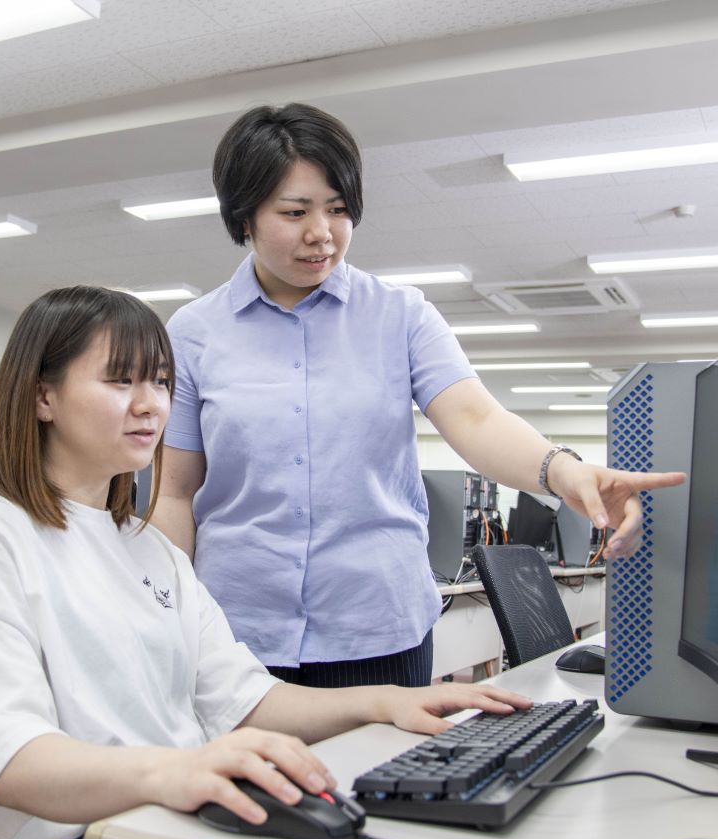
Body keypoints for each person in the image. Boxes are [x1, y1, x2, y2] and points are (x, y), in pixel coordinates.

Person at [0, 285, 531, 839]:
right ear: (43, 396)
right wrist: (175, 771)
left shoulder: (147, 549)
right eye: (120, 381)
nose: (151, 405)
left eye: (159, 382)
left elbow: (244, 700)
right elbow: (8, 761)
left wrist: (389, 702)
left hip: (154, 826)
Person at [152, 102, 685, 689]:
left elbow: (475, 419)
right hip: (237, 631)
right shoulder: (193, 333)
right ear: (243, 216)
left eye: (338, 209)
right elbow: (175, 492)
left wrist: (564, 472)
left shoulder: (401, 315)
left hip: (379, 628)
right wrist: (167, 611)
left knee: (384, 779)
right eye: (294, 211)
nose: (322, 233)